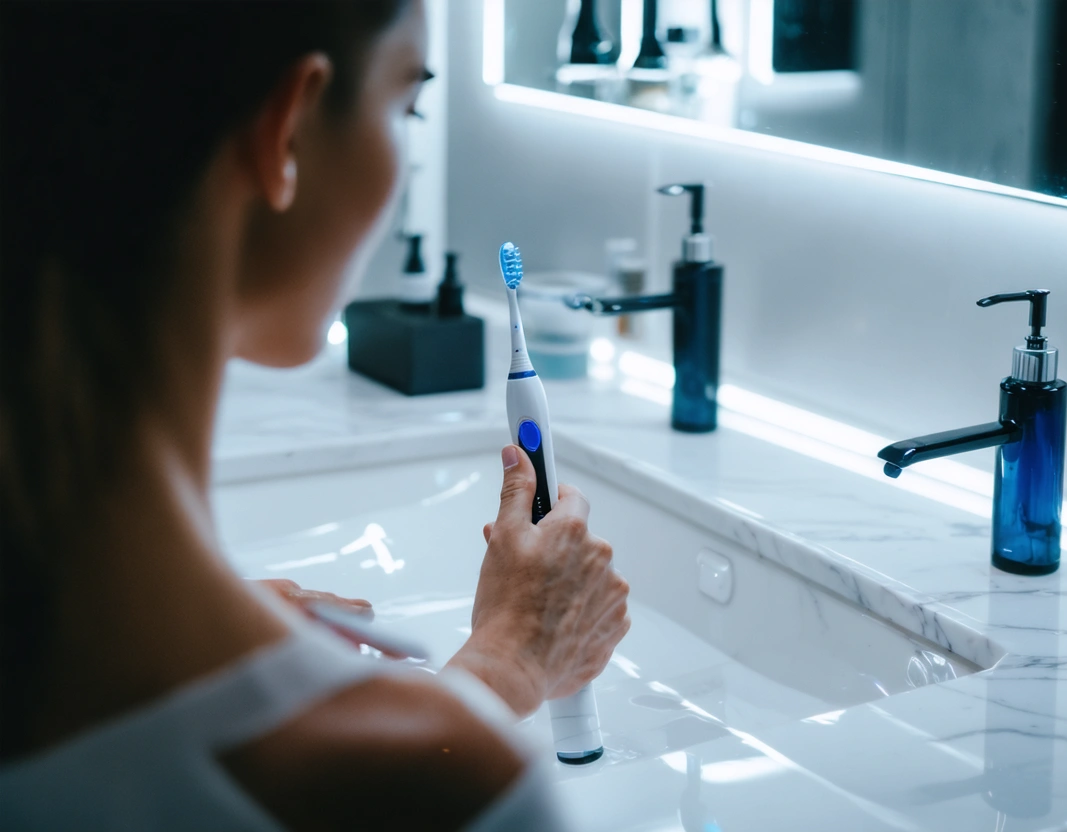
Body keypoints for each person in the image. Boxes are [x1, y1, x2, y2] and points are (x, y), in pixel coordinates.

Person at [0, 2, 630, 829]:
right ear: (287, 134)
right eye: (408, 104)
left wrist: (211, 626)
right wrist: (508, 664)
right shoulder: (426, 784)